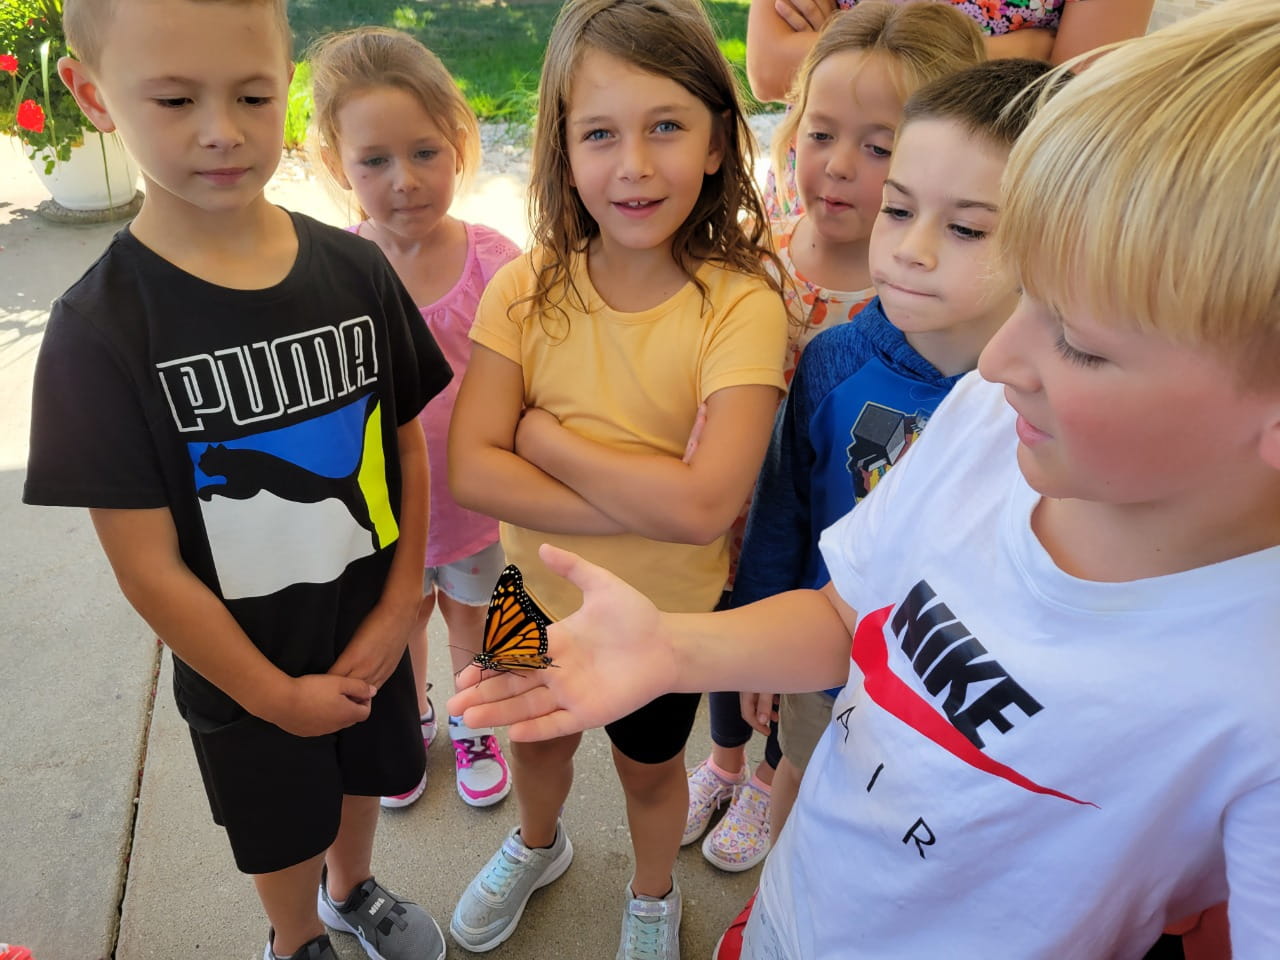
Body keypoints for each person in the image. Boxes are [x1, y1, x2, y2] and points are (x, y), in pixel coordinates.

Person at [449, 1, 1280, 957]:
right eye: (1029, 293)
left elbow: (700, 506)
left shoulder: (1252, 696)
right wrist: (679, 651)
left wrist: (548, 449)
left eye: (1079, 343)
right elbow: (850, 617)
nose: (997, 357)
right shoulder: (981, 422)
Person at [23, 3, 452, 959]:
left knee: (359, 779)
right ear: (94, 98)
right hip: (242, 667)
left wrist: (396, 610)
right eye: (174, 98)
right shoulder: (99, 333)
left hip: (369, 628)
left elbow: (406, 444)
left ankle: (353, 889)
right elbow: (147, 567)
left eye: (253, 95)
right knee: (276, 821)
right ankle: (295, 936)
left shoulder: (355, 270)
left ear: (285, 79)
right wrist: (269, 694)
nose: (221, 129)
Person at [444, 0, 790, 954]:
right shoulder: (527, 286)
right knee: (536, 739)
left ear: (719, 142)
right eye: (600, 133)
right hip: (530, 596)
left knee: (649, 772)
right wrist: (638, 493)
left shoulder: (742, 306)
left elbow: (703, 509)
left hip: (665, 623)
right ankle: (537, 842)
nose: (633, 164)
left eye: (666, 126)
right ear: (562, 148)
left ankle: (649, 895)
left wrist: (547, 442)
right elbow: (474, 469)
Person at [709, 57, 1052, 956]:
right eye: (899, 209)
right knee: (799, 770)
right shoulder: (831, 361)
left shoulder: (1048, 412)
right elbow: (784, 509)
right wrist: (757, 640)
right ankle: (773, 911)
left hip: (949, 701)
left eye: (968, 227)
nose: (912, 247)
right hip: (824, 649)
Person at [686, 0, 985, 875]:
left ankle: (767, 775)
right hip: (742, 518)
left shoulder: (927, 319)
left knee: (806, 701)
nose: (840, 167)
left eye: (881, 146)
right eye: (822, 132)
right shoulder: (754, 260)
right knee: (731, 643)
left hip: (847, 556)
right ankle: (726, 765)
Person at [308, 26, 519, 811]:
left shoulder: (497, 265)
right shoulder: (331, 271)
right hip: (378, 513)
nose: (404, 180)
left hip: (473, 508)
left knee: (476, 619)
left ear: (460, 143)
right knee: (398, 624)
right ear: (337, 166)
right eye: (375, 161)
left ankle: (472, 720)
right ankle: (412, 714)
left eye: (425, 152)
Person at [749, 0, 1156, 219]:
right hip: (813, 201)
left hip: (970, 212)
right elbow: (770, 68)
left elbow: (1073, 95)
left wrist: (852, 46)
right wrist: (1018, 53)